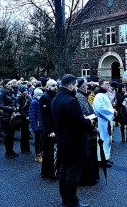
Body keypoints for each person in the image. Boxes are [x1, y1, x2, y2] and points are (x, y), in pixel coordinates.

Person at [51, 74, 93, 207]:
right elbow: (80, 124)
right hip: (74, 143)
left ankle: (65, 199)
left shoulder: (56, 99)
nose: (76, 88)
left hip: (62, 140)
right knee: (73, 174)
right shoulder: (71, 101)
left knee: (64, 171)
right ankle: (72, 201)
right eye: (75, 85)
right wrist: (89, 121)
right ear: (70, 86)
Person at [76, 78, 99, 186]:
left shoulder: (82, 96)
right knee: (89, 158)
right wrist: (94, 128)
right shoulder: (80, 98)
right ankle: (88, 178)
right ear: (81, 86)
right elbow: (86, 116)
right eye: (86, 85)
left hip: (89, 132)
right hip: (88, 134)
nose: (88, 87)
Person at [93, 79, 116, 167]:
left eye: (108, 83)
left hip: (106, 121)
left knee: (107, 140)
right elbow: (100, 109)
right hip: (102, 121)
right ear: (101, 85)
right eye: (106, 84)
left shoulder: (104, 95)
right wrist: (112, 111)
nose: (108, 85)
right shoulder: (99, 96)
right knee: (102, 140)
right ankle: (101, 159)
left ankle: (106, 157)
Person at [40, 79, 58, 178]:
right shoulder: (44, 97)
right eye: (52, 86)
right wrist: (49, 130)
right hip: (50, 128)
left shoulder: (54, 95)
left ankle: (53, 170)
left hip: (55, 126)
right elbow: (45, 116)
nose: (55, 87)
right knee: (49, 150)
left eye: (55, 85)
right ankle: (48, 171)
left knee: (54, 150)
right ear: (47, 87)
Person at [0, 79, 20, 159]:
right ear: (4, 85)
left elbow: (15, 101)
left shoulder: (11, 93)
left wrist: (17, 105)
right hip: (7, 116)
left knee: (12, 134)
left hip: (13, 116)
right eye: (8, 84)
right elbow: (1, 106)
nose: (10, 85)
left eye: (10, 84)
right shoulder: (2, 94)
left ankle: (11, 150)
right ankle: (8, 151)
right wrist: (11, 108)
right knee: (8, 135)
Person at [29, 88, 44, 162]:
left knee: (42, 141)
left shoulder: (41, 101)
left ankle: (41, 153)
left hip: (42, 125)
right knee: (38, 141)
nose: (41, 95)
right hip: (38, 126)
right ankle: (38, 155)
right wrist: (34, 127)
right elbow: (31, 116)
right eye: (39, 94)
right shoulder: (34, 102)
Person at [16, 84, 32, 154]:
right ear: (21, 91)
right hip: (22, 116)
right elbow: (19, 109)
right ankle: (23, 149)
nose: (26, 92)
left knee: (27, 133)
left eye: (26, 90)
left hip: (28, 115)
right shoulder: (18, 98)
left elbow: (30, 106)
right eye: (24, 90)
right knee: (24, 133)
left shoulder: (29, 97)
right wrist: (26, 116)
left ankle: (27, 148)